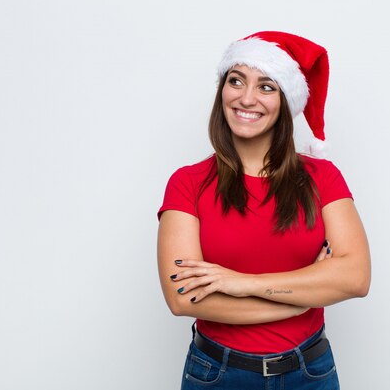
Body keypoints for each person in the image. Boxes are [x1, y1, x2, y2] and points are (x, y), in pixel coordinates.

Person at [157, 31, 371, 390]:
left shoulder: (323, 177)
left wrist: (242, 285)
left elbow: (355, 278)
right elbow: (184, 298)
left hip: (310, 373)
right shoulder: (187, 183)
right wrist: (301, 301)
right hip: (217, 375)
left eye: (266, 86)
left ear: (285, 101)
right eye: (236, 81)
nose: (246, 97)